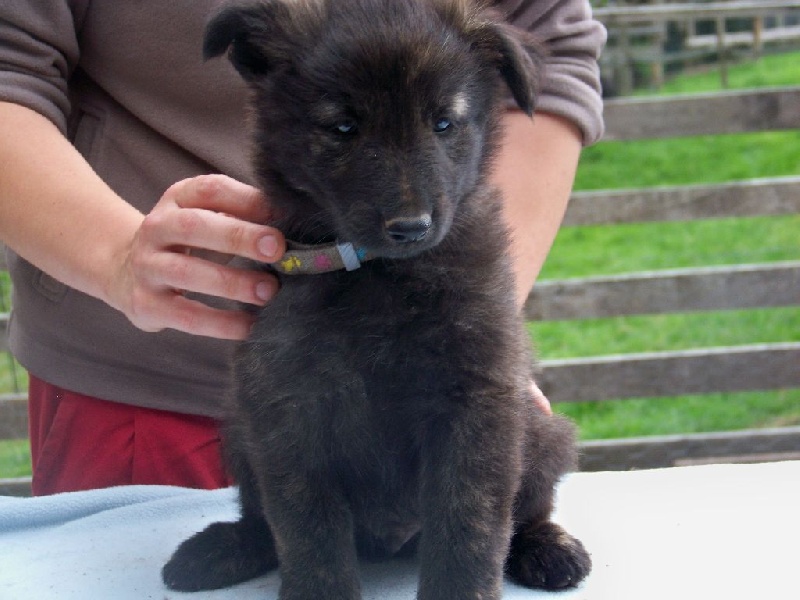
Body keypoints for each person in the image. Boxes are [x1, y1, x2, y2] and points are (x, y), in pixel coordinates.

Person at [0, 0, 605, 496]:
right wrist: (113, 255)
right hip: (148, 385)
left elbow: (551, 43)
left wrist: (472, 324)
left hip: (423, 394)